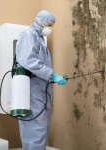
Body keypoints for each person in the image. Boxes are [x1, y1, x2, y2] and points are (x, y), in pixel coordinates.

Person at [16, 10, 67, 150]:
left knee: (41, 129)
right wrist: (52, 75)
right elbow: (29, 60)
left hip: (41, 92)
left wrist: (52, 78)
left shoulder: (39, 39)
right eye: (49, 25)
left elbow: (40, 64)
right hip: (32, 92)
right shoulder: (28, 35)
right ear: (41, 21)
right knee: (35, 130)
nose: (50, 28)